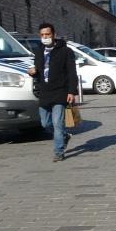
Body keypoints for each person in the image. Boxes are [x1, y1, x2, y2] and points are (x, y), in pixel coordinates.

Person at [27, 23, 78, 162]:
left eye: (47, 34)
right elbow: (39, 72)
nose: (45, 37)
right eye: (42, 35)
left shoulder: (65, 51)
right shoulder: (39, 51)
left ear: (54, 35)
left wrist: (71, 91)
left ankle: (58, 151)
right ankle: (64, 136)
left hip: (60, 91)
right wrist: (33, 72)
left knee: (57, 123)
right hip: (45, 92)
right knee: (45, 123)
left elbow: (72, 72)